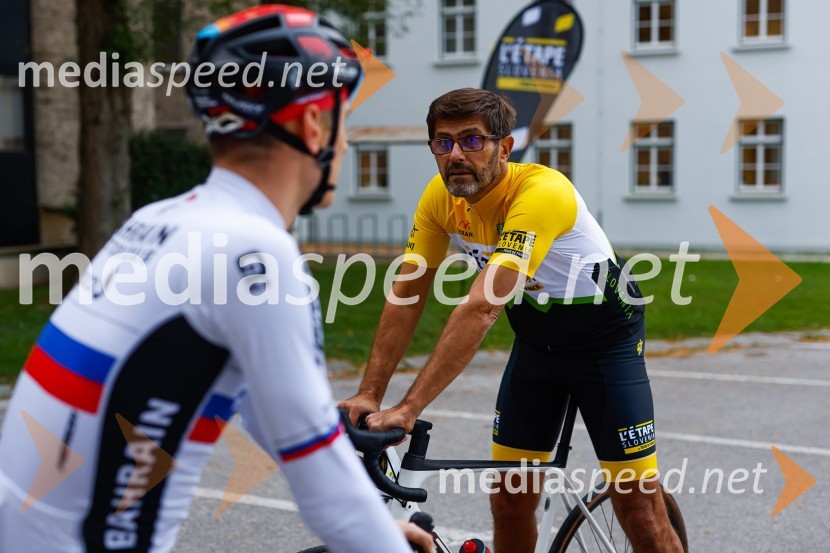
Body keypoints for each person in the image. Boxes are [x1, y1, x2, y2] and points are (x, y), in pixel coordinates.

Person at [0, 5, 433, 553]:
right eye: (345, 123)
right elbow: (327, 493)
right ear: (312, 125)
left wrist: (369, 526)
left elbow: (261, 399)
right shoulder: (257, 253)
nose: (346, 145)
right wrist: (366, 527)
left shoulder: (158, 219)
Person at [340, 88, 684, 553]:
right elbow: (407, 292)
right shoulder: (440, 198)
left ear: (504, 147)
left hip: (606, 345)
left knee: (637, 508)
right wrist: (371, 392)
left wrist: (410, 406)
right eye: (443, 142)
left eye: (472, 140)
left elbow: (483, 306)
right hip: (537, 344)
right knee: (509, 502)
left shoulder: (541, 192)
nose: (456, 154)